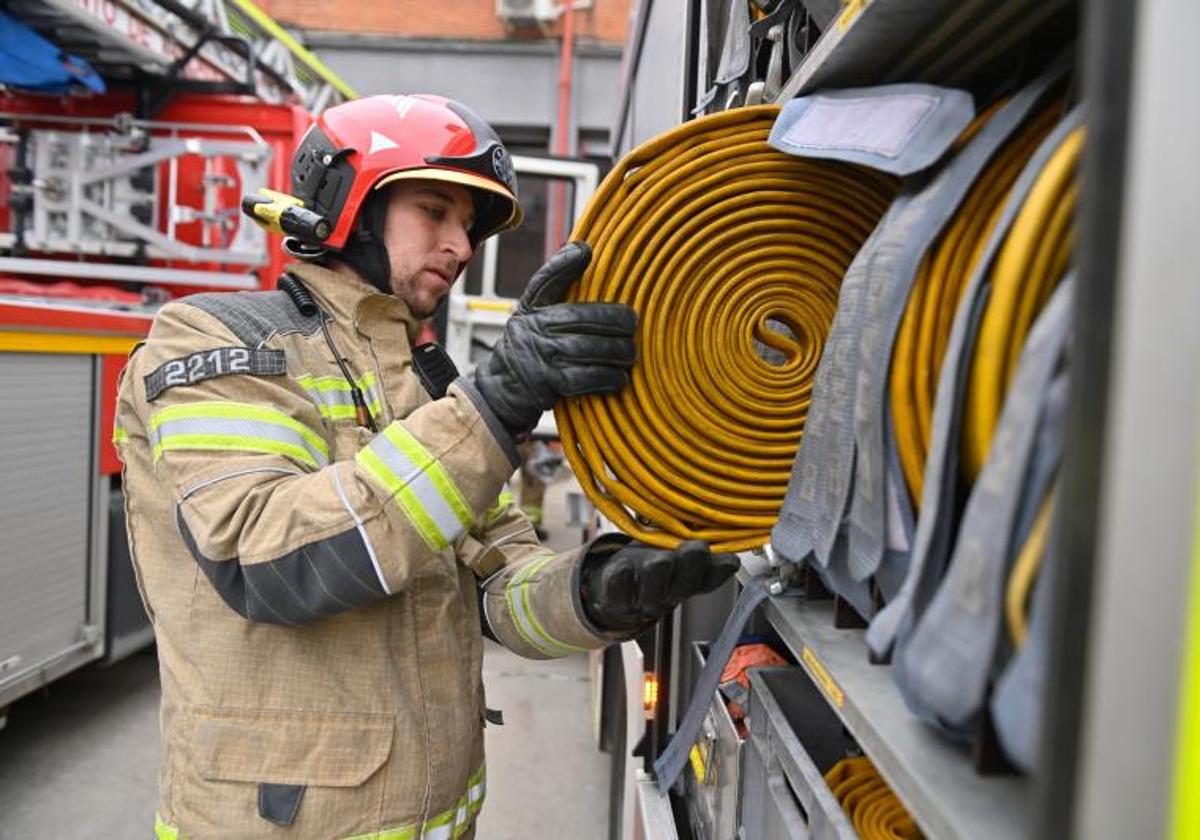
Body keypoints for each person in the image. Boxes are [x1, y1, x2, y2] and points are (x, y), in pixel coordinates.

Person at [114, 94, 738, 839]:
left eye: (469, 227)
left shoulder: (426, 386)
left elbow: (497, 587)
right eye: (434, 211)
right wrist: (497, 405)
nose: (462, 245)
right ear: (349, 205)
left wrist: (594, 594)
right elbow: (268, 560)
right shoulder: (213, 343)